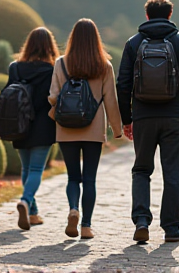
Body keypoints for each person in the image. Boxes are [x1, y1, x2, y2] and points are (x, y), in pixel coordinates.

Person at [117, 0, 179, 243]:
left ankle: (142, 221)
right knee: (173, 173)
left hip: (143, 117)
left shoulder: (133, 43)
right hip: (174, 117)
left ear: (146, 16)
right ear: (169, 14)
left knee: (142, 170)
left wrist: (127, 118)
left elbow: (123, 84)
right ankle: (172, 228)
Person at [48, 18, 123, 240]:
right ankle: (87, 226)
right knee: (89, 178)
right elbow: (111, 101)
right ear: (95, 40)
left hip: (66, 128)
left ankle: (73, 209)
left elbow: (52, 96)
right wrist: (117, 129)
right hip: (93, 128)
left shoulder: (61, 63)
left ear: (72, 39)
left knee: (73, 177)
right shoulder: (104, 66)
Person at [5, 27, 61, 232]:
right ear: (50, 46)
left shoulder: (15, 68)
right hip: (43, 125)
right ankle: (26, 201)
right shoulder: (53, 69)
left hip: (19, 124)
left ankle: (33, 213)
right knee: (37, 169)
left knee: (26, 169)